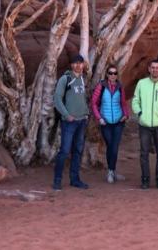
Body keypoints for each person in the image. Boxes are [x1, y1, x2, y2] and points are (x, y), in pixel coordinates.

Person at [132, 59, 158, 189]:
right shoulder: (141, 83)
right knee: (144, 153)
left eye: (157, 67)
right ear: (149, 69)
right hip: (144, 125)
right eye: (152, 67)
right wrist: (140, 114)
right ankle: (145, 179)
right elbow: (135, 101)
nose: (155, 70)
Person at [52, 54, 90, 190]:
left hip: (81, 121)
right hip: (69, 122)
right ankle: (57, 180)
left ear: (83, 65)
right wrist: (67, 115)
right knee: (64, 151)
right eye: (75, 63)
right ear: (71, 65)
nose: (78, 65)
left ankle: (75, 179)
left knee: (78, 151)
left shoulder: (82, 79)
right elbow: (57, 98)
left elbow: (82, 98)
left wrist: (86, 113)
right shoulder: (65, 79)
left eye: (80, 63)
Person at [91, 63, 130, 183]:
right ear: (107, 74)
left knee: (115, 147)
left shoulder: (120, 86)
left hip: (118, 121)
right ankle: (111, 170)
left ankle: (111, 171)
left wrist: (126, 115)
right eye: (110, 73)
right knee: (110, 146)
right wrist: (99, 118)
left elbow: (123, 103)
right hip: (105, 122)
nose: (113, 75)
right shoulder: (101, 86)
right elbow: (93, 103)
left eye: (115, 73)